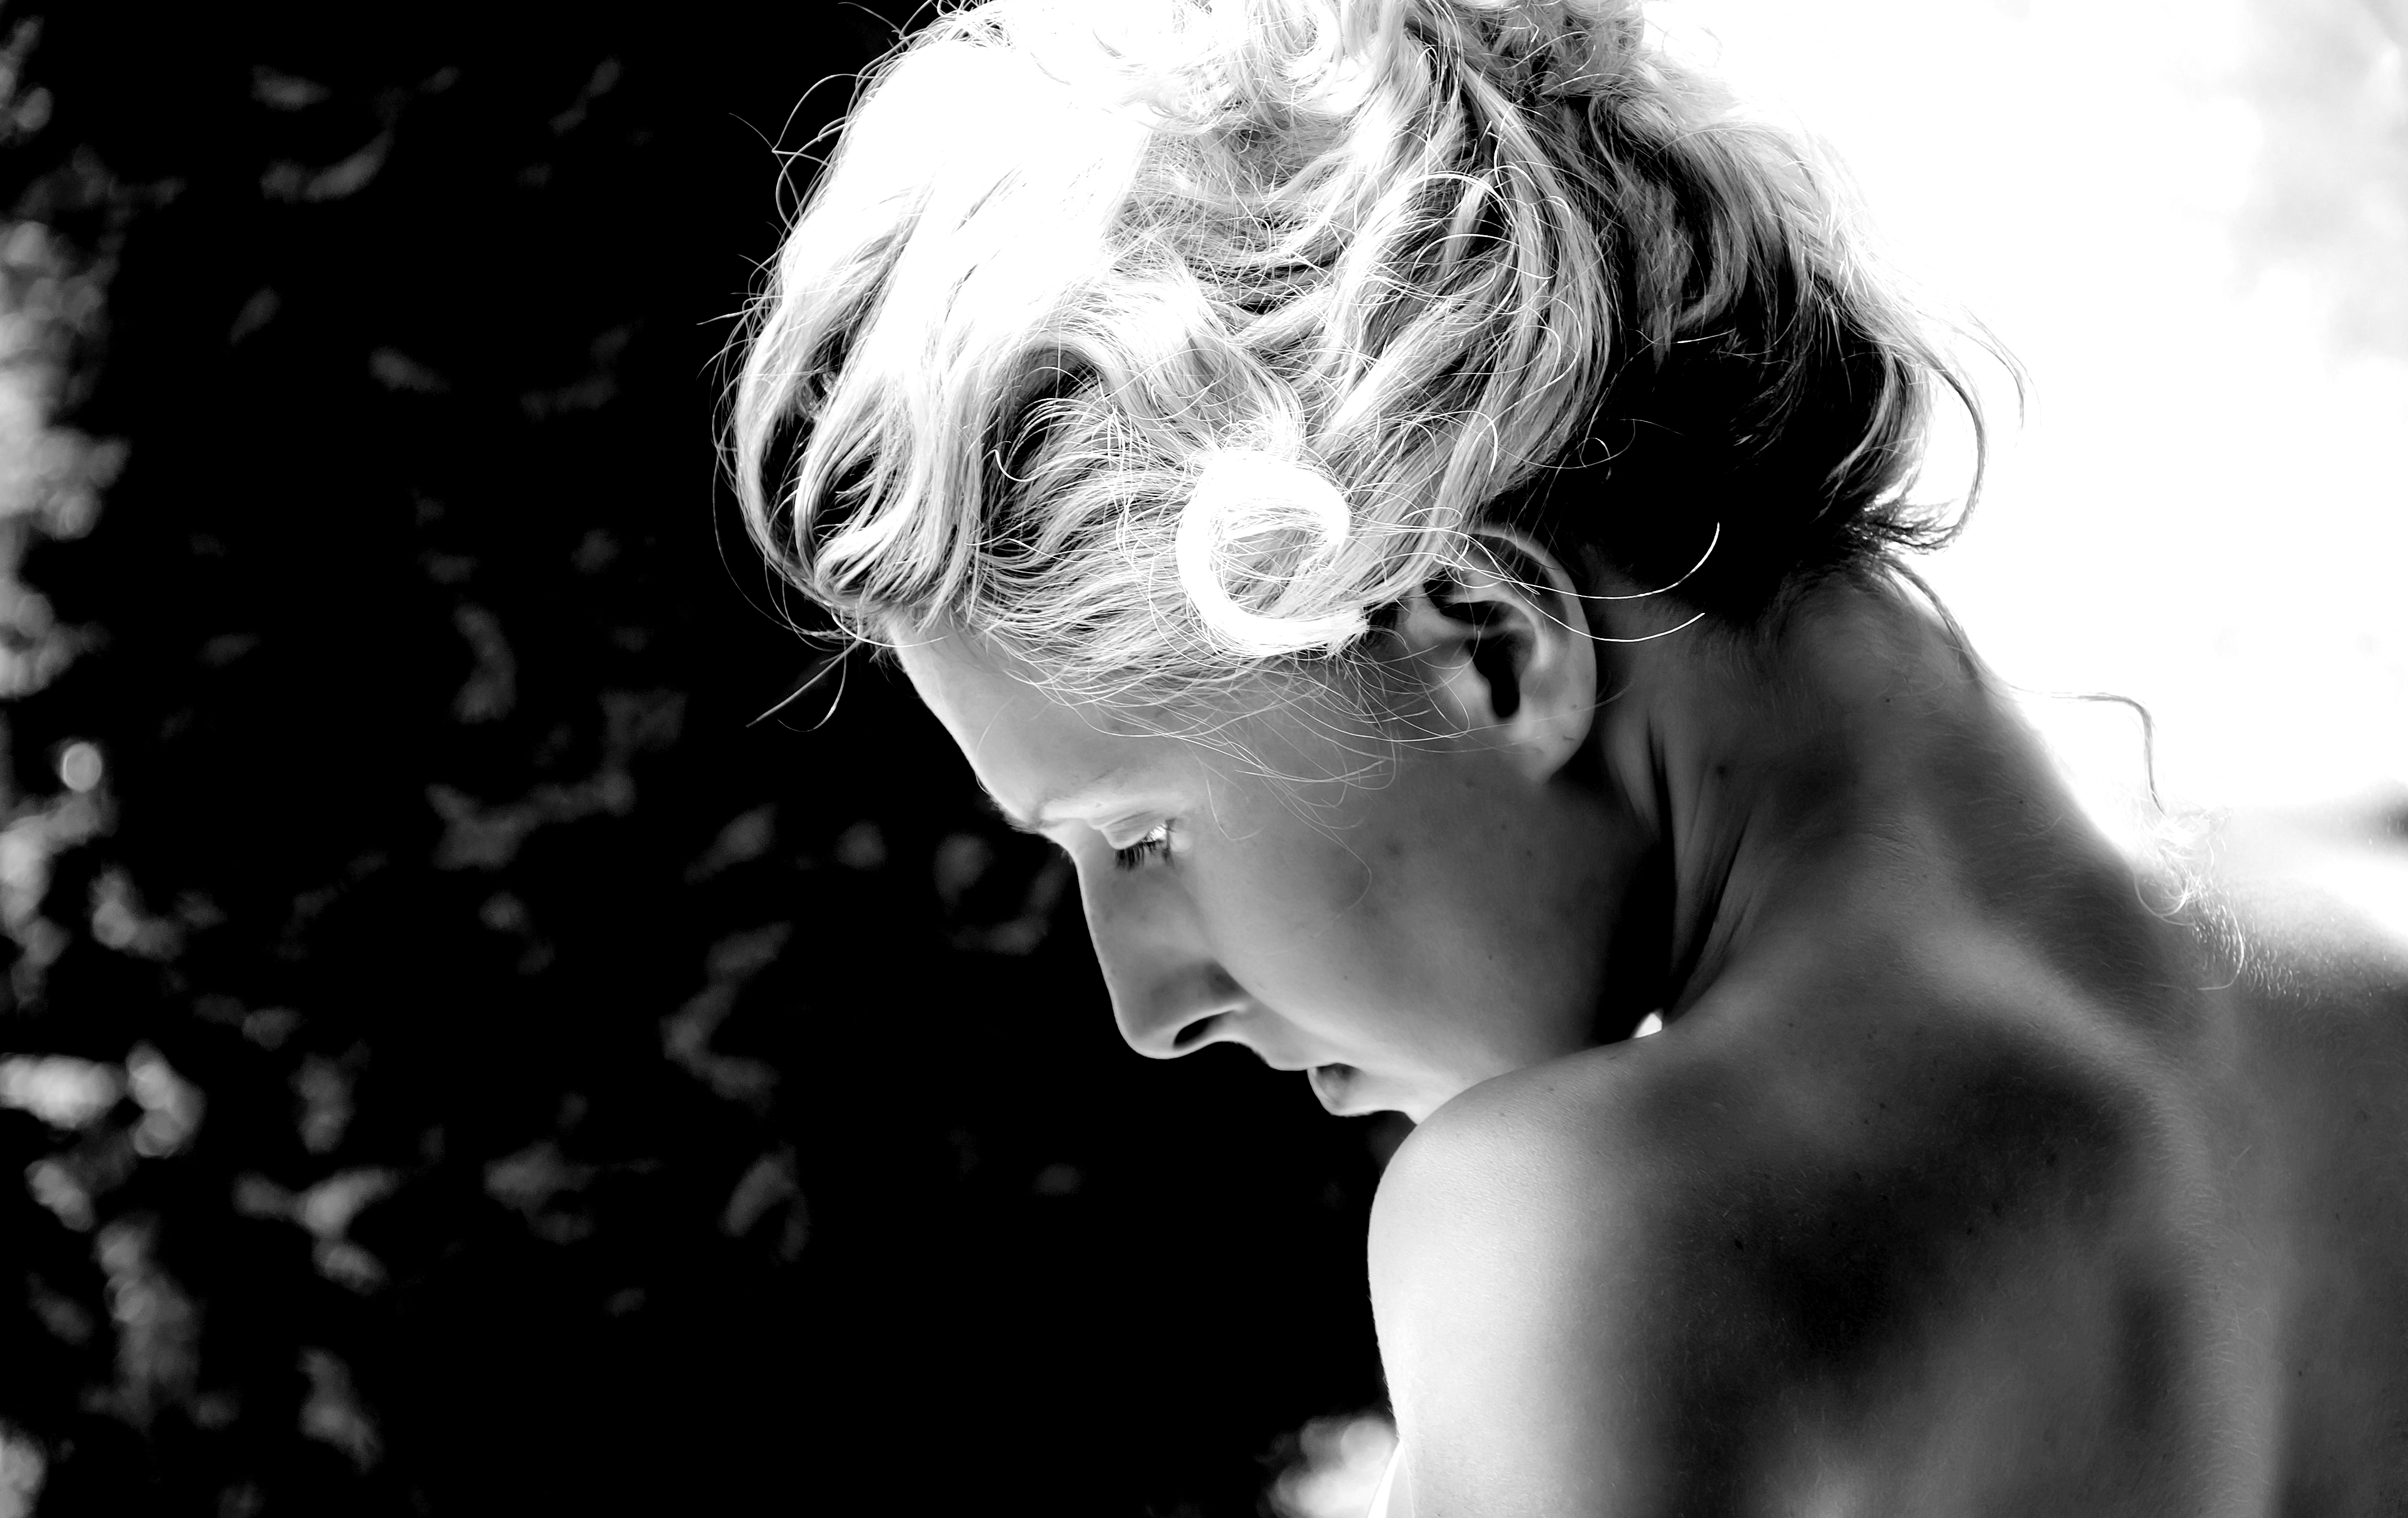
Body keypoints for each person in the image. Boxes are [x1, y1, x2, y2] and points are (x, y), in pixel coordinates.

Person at [730, 1, 2408, 1511]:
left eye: (1141, 835)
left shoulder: (1589, 1236)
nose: (1148, 1009)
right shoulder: (2360, 1006)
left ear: (1487, 642)